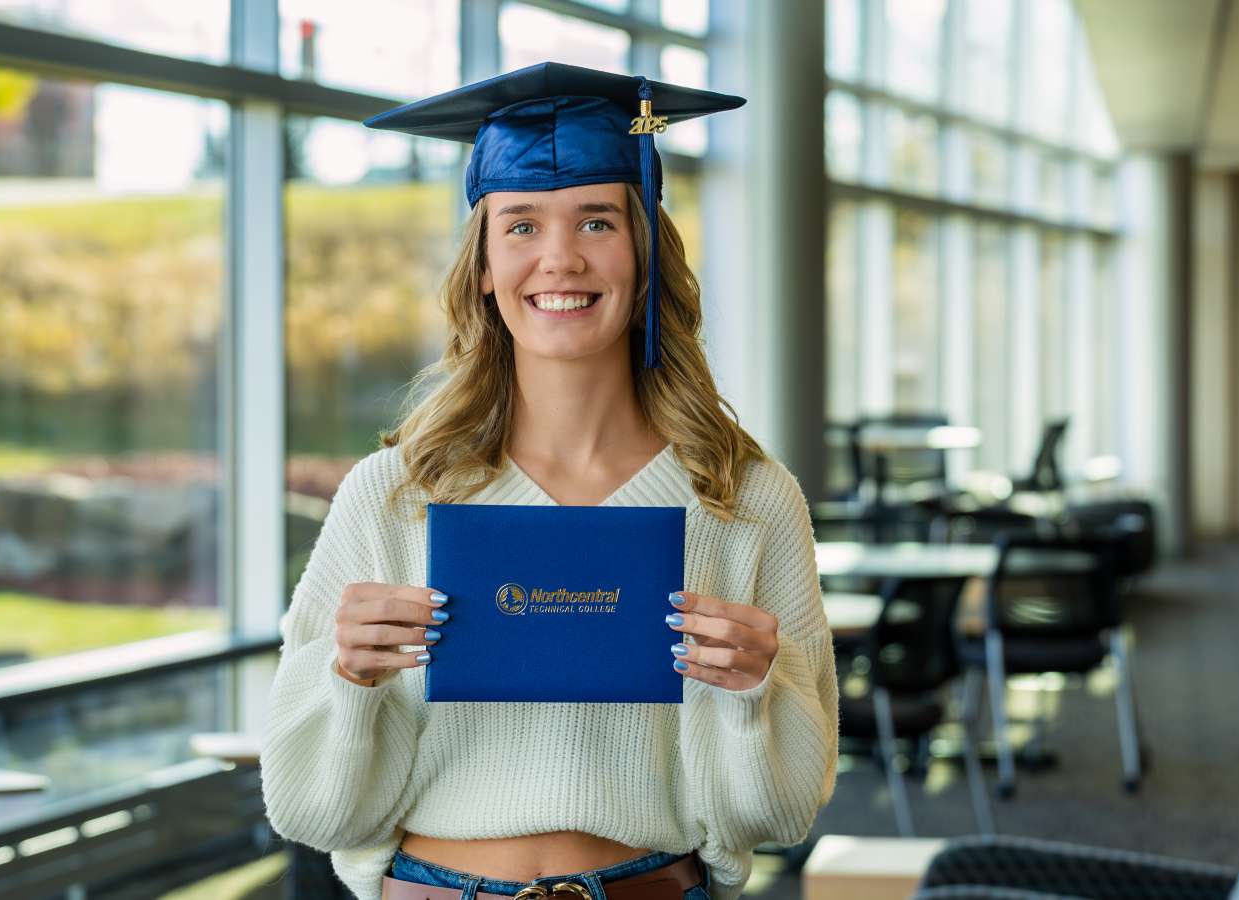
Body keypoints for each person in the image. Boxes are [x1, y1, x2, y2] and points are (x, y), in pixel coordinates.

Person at [259, 62, 838, 900]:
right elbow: (312, 814)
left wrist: (754, 697)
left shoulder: (743, 499)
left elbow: (782, 817)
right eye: (522, 226)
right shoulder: (395, 494)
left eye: (598, 221)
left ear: (645, 255)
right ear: (484, 268)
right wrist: (346, 680)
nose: (560, 259)